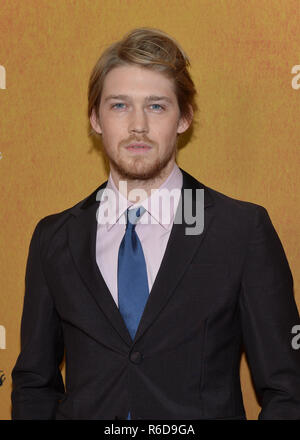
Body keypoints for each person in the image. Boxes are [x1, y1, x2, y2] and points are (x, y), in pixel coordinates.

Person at [11, 28, 300, 420]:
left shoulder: (241, 231)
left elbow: (289, 388)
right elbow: (34, 383)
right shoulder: (55, 238)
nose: (138, 126)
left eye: (157, 106)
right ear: (95, 118)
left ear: (185, 118)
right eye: (119, 106)